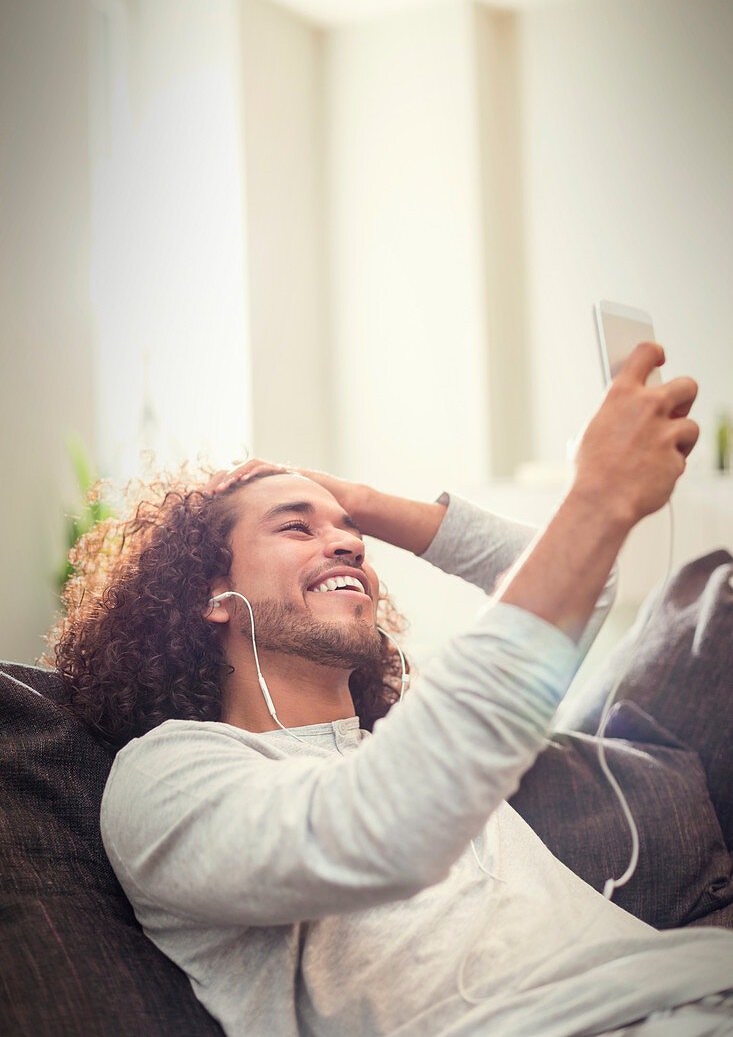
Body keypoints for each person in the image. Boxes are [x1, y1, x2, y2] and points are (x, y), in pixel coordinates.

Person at [53, 344, 733, 1036]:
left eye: (351, 534)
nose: (349, 545)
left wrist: (362, 503)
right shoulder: (168, 775)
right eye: (295, 527)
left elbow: (586, 589)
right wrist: (595, 499)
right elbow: (383, 828)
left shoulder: (403, 736)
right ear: (212, 592)